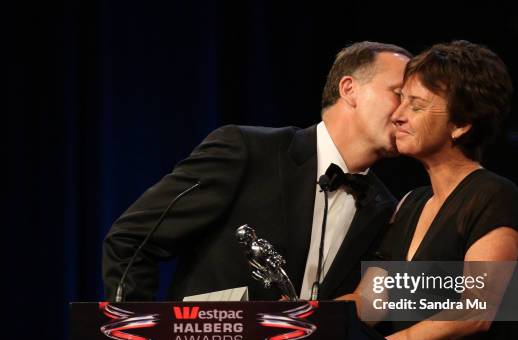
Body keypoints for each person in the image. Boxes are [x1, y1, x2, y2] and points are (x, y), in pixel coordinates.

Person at [339, 40, 518, 340]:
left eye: (416, 105)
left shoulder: (493, 196)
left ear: (461, 124)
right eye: (401, 101)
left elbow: (474, 311)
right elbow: (371, 301)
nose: (397, 115)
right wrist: (305, 318)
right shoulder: (410, 205)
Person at [102, 41, 412, 302]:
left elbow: (426, 302)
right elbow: (132, 240)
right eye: (399, 93)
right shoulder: (248, 151)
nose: (407, 111)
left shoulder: (385, 209)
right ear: (349, 89)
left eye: (416, 102)